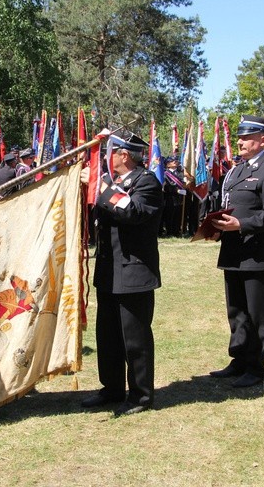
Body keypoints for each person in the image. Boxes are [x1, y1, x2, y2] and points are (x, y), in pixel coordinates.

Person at [79, 129, 164, 416]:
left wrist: (100, 188)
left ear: (124, 155)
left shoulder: (147, 182)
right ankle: (112, 388)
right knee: (108, 335)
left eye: (111, 152)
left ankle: (140, 394)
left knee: (135, 338)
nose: (107, 157)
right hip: (109, 270)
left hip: (134, 272)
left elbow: (133, 212)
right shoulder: (112, 182)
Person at [207, 114, 264, 388]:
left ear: (262, 140)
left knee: (257, 313)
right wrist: (215, 225)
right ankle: (239, 359)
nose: (240, 142)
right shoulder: (235, 171)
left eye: (246, 138)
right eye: (239, 137)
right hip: (232, 252)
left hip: (256, 254)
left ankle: (255, 368)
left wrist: (241, 224)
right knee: (236, 311)